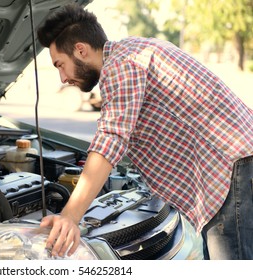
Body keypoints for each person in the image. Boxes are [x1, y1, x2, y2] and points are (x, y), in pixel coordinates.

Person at [37, 4, 253, 260]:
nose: (62, 78)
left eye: (60, 65)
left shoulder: (122, 64)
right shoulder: (135, 49)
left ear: (80, 50)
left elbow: (112, 137)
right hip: (232, 169)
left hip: (228, 172)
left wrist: (69, 216)